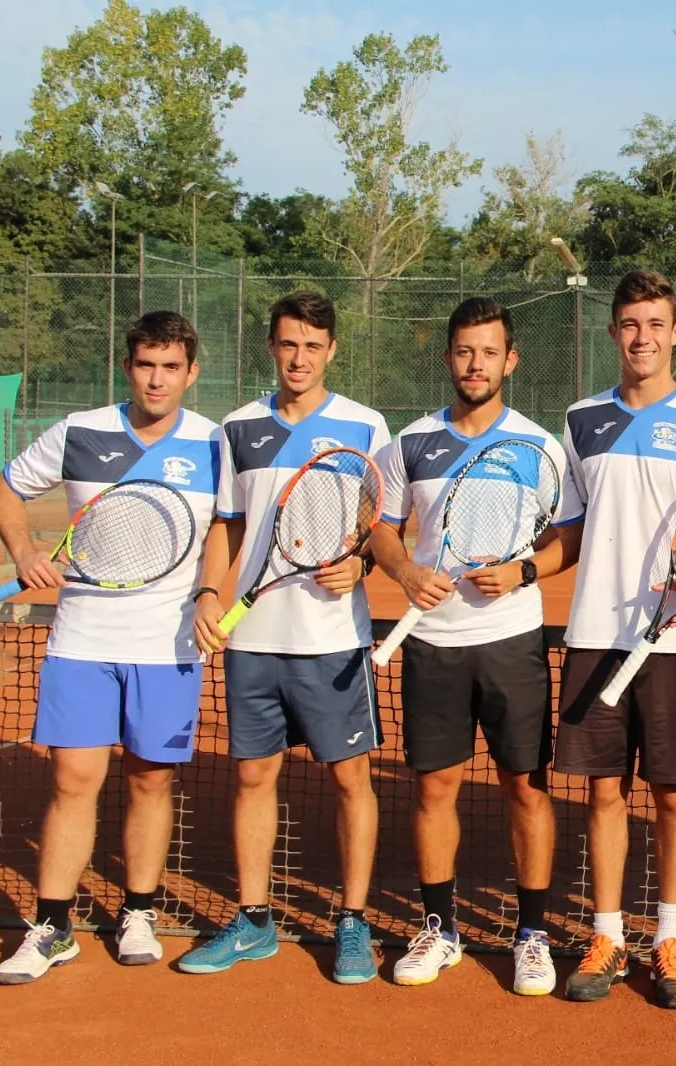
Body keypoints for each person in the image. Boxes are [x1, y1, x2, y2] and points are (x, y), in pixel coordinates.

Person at [0, 311, 220, 983]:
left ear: (190, 373)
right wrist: (25, 548)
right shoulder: (80, 430)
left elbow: (229, 532)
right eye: (146, 364)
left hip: (168, 643)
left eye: (170, 366)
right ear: (129, 367)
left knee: (151, 781)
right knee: (73, 781)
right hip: (82, 638)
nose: (157, 378)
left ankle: (139, 911)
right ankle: (52, 926)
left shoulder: (212, 443)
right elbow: (5, 487)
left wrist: (211, 592)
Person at [528, 270, 676, 1008]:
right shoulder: (582, 419)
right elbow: (573, 530)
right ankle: (608, 935)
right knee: (604, 794)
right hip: (596, 635)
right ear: (613, 332)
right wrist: (523, 569)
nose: (642, 337)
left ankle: (669, 939)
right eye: (629, 324)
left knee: (673, 797)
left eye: (656, 324)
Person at [177, 290, 390, 985]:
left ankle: (352, 923)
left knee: (350, 779)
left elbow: (378, 522)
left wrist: (358, 561)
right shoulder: (237, 427)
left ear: (331, 351)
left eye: (312, 346)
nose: (299, 358)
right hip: (253, 638)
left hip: (333, 636)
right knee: (252, 777)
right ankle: (255, 920)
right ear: (272, 347)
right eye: (288, 344)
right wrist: (210, 590)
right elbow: (228, 524)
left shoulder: (364, 426)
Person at [370, 297, 563, 996]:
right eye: (463, 351)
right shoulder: (410, 443)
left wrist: (525, 570)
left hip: (511, 641)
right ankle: (438, 927)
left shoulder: (541, 444)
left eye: (489, 352)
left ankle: (532, 933)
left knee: (526, 788)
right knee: (434, 789)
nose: (475, 363)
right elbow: (382, 529)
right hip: (433, 646)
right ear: (447, 357)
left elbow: (564, 533)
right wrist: (404, 570)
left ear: (509, 360)